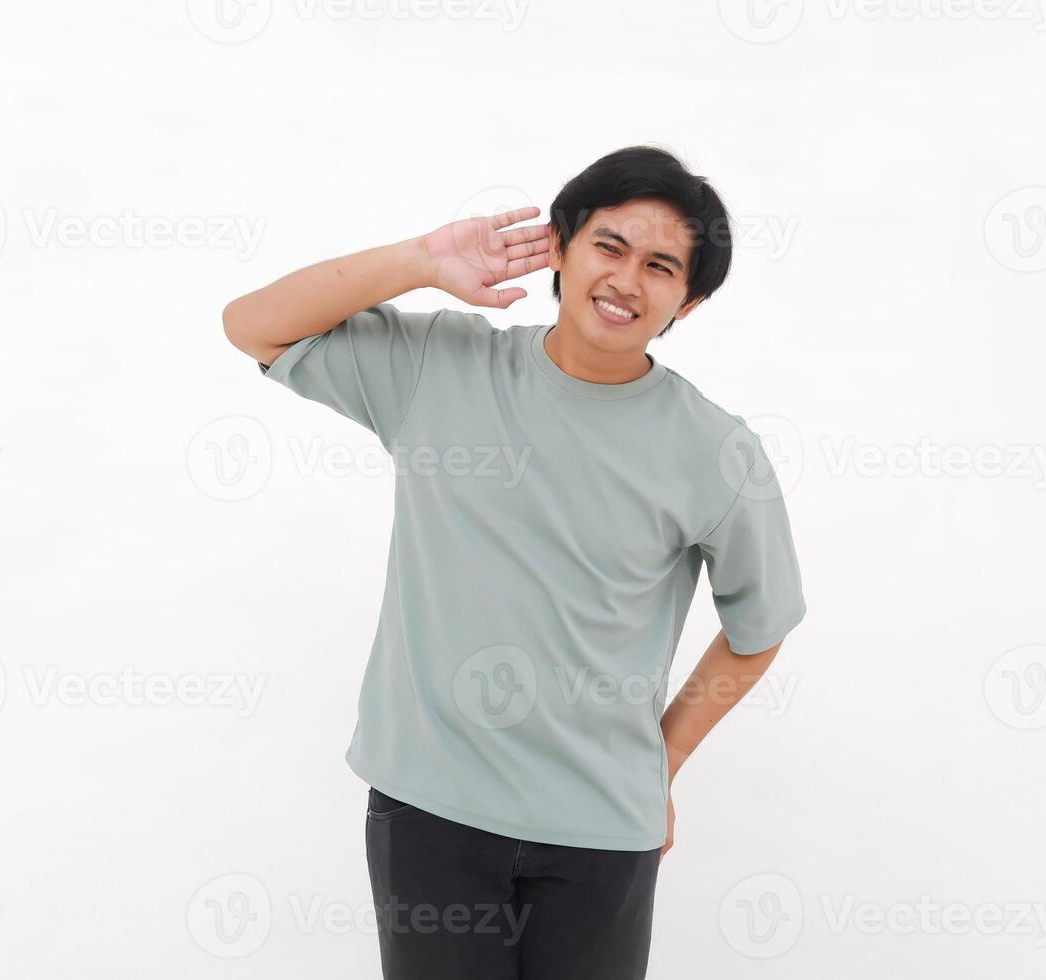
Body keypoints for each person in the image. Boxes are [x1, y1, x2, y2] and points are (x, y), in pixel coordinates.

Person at [222, 145, 807, 980]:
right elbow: (251, 325)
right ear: (561, 247)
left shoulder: (717, 451)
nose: (627, 280)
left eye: (662, 265)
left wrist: (662, 762)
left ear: (692, 298)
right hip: (429, 810)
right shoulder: (441, 367)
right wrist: (418, 262)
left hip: (603, 831)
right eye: (608, 246)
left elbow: (759, 629)